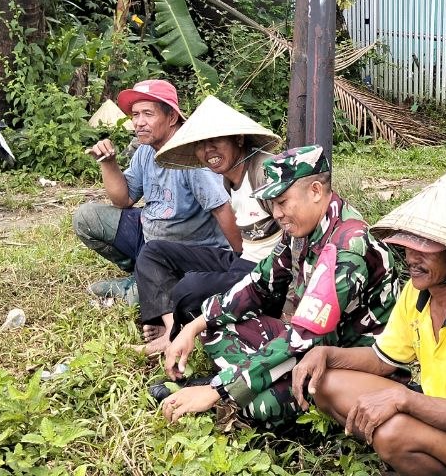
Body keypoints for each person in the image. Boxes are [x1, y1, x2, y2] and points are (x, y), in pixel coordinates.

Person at [289, 167, 446, 476]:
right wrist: (325, 354)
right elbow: (382, 360)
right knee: (324, 382)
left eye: (426, 249)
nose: (411, 258)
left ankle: (411, 453)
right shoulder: (417, 293)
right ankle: (408, 452)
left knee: (392, 434)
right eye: (409, 246)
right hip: (445, 413)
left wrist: (403, 399)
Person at [157, 145, 401, 428]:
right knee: (213, 329)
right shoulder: (301, 230)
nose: (276, 214)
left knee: (257, 406)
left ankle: (221, 391)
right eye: (272, 203)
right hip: (309, 349)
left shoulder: (347, 247)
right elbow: (257, 285)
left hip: (348, 367)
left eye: (282, 202)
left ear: (315, 191)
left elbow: (302, 338)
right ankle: (237, 382)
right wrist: (192, 327)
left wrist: (217, 390)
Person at [133, 95, 283, 355]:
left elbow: (298, 240)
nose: (208, 151)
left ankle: (177, 334)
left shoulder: (265, 174)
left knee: (188, 289)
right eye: (201, 145)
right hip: (245, 258)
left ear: (238, 139)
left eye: (216, 141)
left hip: (270, 274)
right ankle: (171, 331)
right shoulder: (229, 178)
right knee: (153, 252)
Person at [73, 79, 241, 302]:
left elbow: (223, 209)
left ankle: (143, 283)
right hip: (149, 237)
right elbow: (124, 199)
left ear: (171, 117)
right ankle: (140, 273)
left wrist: (242, 264)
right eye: (135, 114)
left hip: (186, 252)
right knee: (86, 217)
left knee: (141, 301)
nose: (139, 122)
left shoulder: (191, 155)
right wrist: (108, 162)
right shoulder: (146, 149)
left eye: (148, 114)